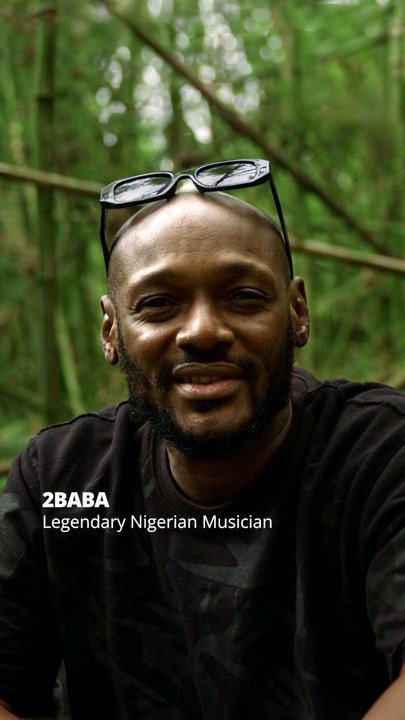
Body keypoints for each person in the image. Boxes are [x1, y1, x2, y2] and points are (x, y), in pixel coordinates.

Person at [0, 160, 404, 720]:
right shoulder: (62, 482)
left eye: (243, 296)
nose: (203, 332)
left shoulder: (381, 455)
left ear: (297, 312)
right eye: (158, 304)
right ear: (112, 331)